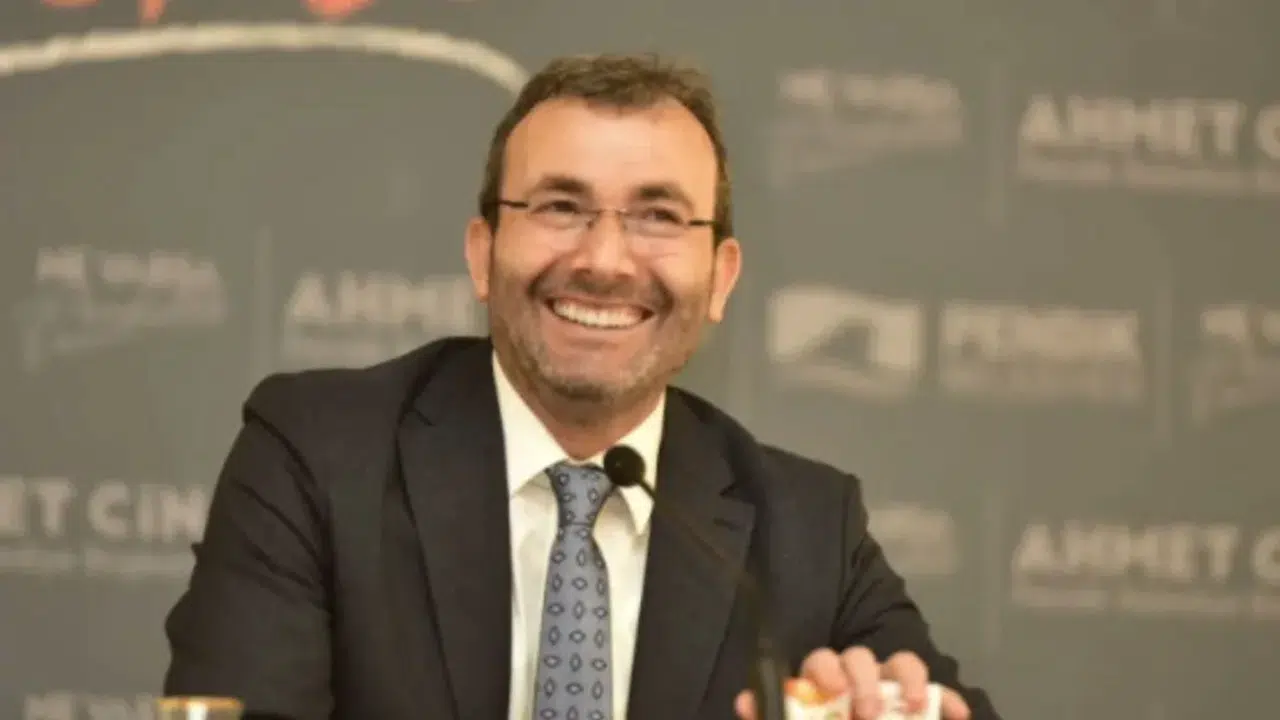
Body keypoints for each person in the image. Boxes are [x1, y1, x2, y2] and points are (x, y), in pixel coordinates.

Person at [162, 53, 1001, 720]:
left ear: (720, 277)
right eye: (561, 207)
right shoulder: (318, 456)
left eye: (658, 216)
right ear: (483, 254)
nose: (604, 260)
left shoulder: (809, 528)